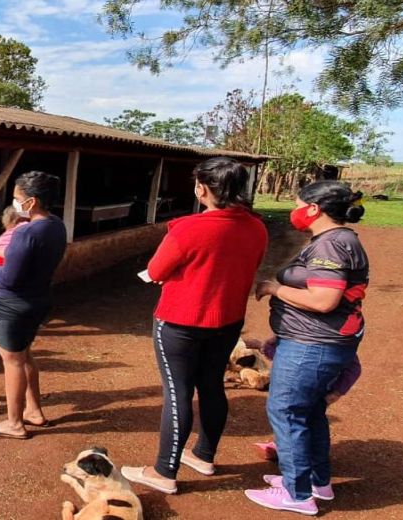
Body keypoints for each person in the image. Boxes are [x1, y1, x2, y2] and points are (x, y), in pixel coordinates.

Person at [119, 157, 269, 493]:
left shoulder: (189, 227)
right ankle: (204, 455)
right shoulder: (256, 227)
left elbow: (156, 270)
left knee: (178, 393)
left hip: (181, 322)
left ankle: (163, 472)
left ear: (203, 188)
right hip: (227, 320)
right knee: (212, 385)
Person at [244, 181, 368, 516]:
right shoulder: (334, 241)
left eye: (297, 204)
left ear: (314, 208)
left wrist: (273, 289)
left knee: (287, 412)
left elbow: (324, 300)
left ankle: (296, 494)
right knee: (309, 411)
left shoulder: (333, 245)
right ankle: (316, 481)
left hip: (312, 345)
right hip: (311, 342)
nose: (293, 211)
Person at [0, 171, 68, 439]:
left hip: (12, 305)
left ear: (32, 202)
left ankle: (14, 423)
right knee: (25, 354)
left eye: (18, 198)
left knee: (12, 361)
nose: (15, 203)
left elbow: (8, 277)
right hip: (39, 298)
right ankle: (34, 410)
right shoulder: (56, 226)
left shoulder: (25, 233)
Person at [247, 335, 362, 461]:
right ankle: (288, 449)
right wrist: (262, 346)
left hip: (316, 390)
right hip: (299, 386)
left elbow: (354, 368)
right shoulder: (309, 332)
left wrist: (337, 392)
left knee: (301, 421)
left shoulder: (335, 340)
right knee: (294, 419)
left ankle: (304, 460)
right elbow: (285, 356)